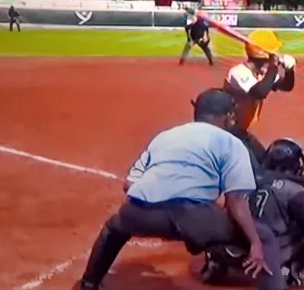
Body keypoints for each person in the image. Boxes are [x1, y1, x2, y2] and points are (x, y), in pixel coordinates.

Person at [76, 88, 285, 290]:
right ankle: (224, 255)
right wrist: (255, 243)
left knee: (114, 227)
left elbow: (129, 184)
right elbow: (236, 202)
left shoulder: (165, 137)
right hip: (194, 219)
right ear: (229, 116)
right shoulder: (231, 143)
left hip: (141, 214)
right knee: (262, 236)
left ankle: (89, 283)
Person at [202, 138, 304, 287]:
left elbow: (268, 180)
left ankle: (216, 261)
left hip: (231, 247)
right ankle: (288, 272)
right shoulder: (294, 190)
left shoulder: (247, 176)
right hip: (266, 253)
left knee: (227, 214)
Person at [223, 30, 304, 184]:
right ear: (264, 54)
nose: (276, 53)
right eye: (273, 51)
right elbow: (259, 92)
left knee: (265, 161)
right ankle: (303, 180)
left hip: (240, 131)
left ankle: (300, 179)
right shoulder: (238, 72)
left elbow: (286, 86)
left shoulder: (262, 73)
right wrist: (274, 66)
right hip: (227, 132)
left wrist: (289, 70)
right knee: (259, 173)